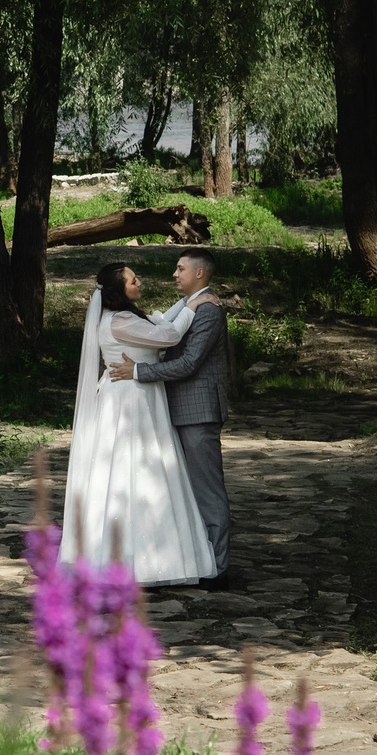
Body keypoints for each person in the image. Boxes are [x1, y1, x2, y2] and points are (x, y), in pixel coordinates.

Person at [64, 261, 217, 587]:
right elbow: (169, 334)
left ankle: (148, 555)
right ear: (121, 291)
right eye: (134, 280)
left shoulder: (126, 318)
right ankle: (129, 560)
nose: (139, 281)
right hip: (130, 402)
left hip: (141, 397)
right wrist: (197, 303)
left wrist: (188, 302)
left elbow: (159, 320)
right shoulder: (119, 322)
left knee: (148, 472)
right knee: (128, 472)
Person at [106, 248, 231, 578]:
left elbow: (189, 363)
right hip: (176, 409)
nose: (174, 274)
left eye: (180, 269)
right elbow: (164, 329)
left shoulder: (209, 311)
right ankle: (195, 559)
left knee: (206, 489)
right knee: (183, 491)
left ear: (199, 274)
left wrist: (139, 371)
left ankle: (216, 568)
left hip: (197, 411)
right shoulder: (194, 306)